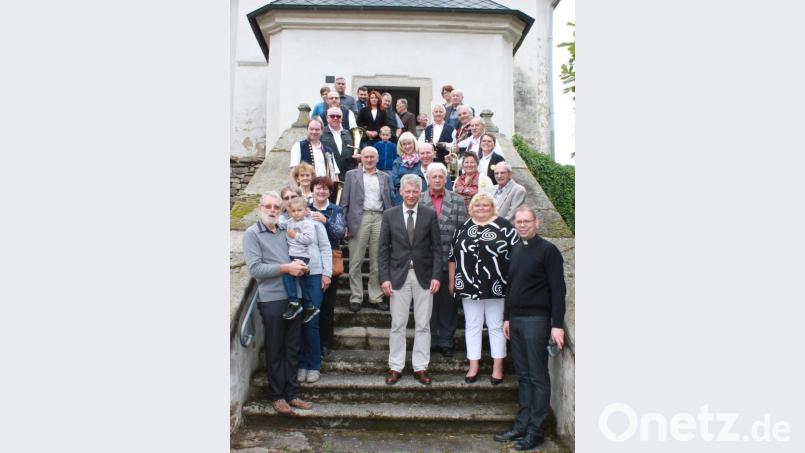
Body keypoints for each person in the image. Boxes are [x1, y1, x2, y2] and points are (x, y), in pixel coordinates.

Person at [495, 206, 566, 451]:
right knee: (523, 376)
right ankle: (521, 425)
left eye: (527, 221)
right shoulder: (515, 250)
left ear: (536, 222)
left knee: (537, 377)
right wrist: (506, 318)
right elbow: (510, 287)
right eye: (519, 222)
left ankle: (536, 431)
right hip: (515, 321)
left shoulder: (549, 251)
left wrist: (557, 324)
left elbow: (559, 290)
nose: (522, 225)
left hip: (537, 321)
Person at [242, 192, 313, 415]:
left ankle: (292, 393)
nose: (272, 210)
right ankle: (277, 396)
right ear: (260, 208)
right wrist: (286, 268)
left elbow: (298, 251)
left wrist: (300, 265)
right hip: (271, 298)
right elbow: (255, 269)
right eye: (268, 207)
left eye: (276, 207)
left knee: (293, 347)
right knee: (276, 348)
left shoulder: (285, 230)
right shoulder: (252, 234)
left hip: (295, 295)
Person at [449, 192, 518, 386]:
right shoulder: (463, 227)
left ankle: (498, 367)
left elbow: (516, 257)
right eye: (477, 205)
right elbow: (452, 257)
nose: (481, 208)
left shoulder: (505, 227)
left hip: (497, 285)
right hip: (468, 284)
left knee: (496, 326)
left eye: (485, 205)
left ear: (492, 207)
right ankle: (473, 365)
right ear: (471, 208)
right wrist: (452, 281)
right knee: (472, 326)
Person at [378, 174, 442, 386]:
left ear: (419, 193)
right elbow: (383, 250)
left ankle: (420, 366)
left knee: (423, 324)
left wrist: (436, 275)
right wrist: (384, 278)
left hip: (424, 276)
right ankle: (395, 366)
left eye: (415, 191)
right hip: (397, 276)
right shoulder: (389, 215)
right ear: (401, 192)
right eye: (408, 191)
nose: (412, 195)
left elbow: (437, 249)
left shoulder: (429, 214)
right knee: (398, 324)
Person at [278, 186, 332, 384]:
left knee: (311, 321)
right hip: (294, 274)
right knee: (296, 321)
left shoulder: (315, 224)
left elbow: (325, 247)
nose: (291, 200)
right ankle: (300, 364)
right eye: (287, 198)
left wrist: (326, 274)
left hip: (314, 274)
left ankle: (313, 364)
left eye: (294, 197)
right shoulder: (283, 224)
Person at [420, 163, 466, 357]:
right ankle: (430, 339)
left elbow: (462, 232)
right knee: (428, 304)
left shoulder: (457, 200)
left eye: (440, 176)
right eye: (434, 177)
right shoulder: (418, 200)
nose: (437, 180)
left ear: (446, 179)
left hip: (450, 260)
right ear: (427, 179)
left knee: (448, 303)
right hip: (426, 260)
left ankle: (446, 340)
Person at [339, 146, 393, 313]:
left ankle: (375, 296)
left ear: (377, 159)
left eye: (372, 157)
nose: (369, 159)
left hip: (379, 217)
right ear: (360, 158)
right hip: (358, 218)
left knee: (377, 260)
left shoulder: (385, 176)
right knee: (355, 260)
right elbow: (344, 202)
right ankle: (356, 297)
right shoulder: (351, 175)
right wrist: (344, 223)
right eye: (366, 157)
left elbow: (388, 200)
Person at [308, 176, 347, 358]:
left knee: (328, 305)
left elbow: (340, 233)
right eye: (318, 188)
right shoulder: (305, 208)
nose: (321, 191)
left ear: (330, 192)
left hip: (330, 259)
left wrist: (326, 221)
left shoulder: (335, 210)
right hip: (308, 261)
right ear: (312, 190)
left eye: (325, 189)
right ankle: (310, 342)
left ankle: (325, 343)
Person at [280, 196, 321, 323]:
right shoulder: (290, 221)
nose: (296, 213)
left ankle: (294, 302)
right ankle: (310, 307)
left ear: (305, 210)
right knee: (303, 283)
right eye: (294, 211)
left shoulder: (307, 223)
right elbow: (281, 224)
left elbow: (309, 239)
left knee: (287, 274)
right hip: (293, 255)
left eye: (299, 210)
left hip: (303, 256)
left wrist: (295, 235)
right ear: (290, 211)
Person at [320, 107, 358, 179]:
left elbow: (355, 151)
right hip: (329, 175)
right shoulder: (321, 133)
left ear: (342, 118)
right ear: (327, 118)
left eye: (338, 116)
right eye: (332, 116)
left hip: (348, 175)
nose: (335, 118)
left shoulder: (349, 133)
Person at [390, 132, 425, 206]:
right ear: (401, 146)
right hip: (401, 199)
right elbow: (394, 181)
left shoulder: (422, 160)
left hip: (420, 197)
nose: (407, 146)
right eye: (404, 144)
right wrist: (414, 182)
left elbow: (424, 179)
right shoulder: (397, 162)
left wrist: (405, 181)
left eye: (409, 143)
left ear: (414, 144)